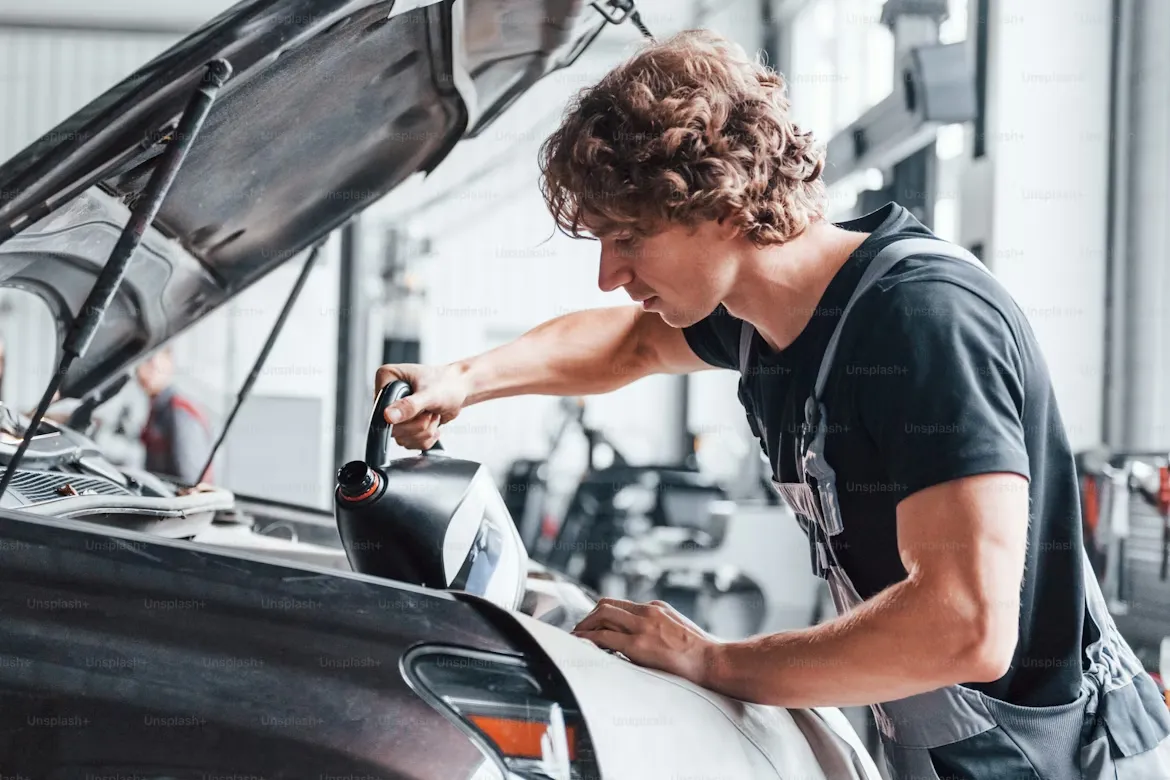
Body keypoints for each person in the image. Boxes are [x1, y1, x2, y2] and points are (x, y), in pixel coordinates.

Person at [372, 29, 1170, 780]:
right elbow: (628, 346)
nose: (609, 274)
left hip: (1069, 759)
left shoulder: (924, 321)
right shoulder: (756, 326)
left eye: (629, 236)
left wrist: (712, 661)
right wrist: (466, 379)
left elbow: (963, 625)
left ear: (722, 203)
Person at [136, 347, 212, 485]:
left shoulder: (180, 411)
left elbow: (190, 480)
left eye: (149, 361)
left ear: (169, 363)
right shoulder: (158, 409)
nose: (141, 370)